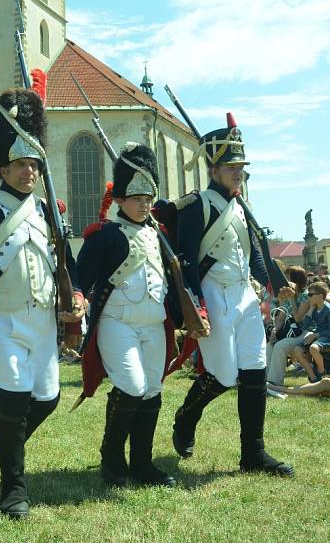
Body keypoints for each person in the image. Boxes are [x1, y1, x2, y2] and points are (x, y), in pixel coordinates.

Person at [0, 85, 83, 519]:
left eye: (34, 164)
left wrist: (76, 298)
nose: (29, 172)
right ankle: (14, 490)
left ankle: (9, 452)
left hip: (42, 322)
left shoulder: (50, 215)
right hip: (0, 323)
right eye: (20, 164)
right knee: (17, 398)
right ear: (3, 166)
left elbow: (70, 269)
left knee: (48, 399)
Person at [171, 113, 294, 476]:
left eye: (241, 166)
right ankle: (186, 416)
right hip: (214, 296)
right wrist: (196, 306)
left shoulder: (241, 207)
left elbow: (254, 252)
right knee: (224, 375)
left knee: (254, 370)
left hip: (244, 296)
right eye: (231, 166)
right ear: (214, 169)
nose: (238, 172)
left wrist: (271, 280)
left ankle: (253, 454)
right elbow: (187, 260)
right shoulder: (196, 205)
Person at [76, 144, 176, 488]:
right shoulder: (104, 235)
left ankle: (143, 463)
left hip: (153, 324)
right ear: (119, 198)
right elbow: (80, 277)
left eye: (149, 197)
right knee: (131, 387)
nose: (144, 204)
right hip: (117, 322)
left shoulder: (160, 236)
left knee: (152, 390)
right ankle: (113, 460)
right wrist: (76, 298)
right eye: (136, 198)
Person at [292, 282, 330, 381]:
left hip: (326, 338)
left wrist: (315, 335)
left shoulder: (328, 310)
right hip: (318, 337)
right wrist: (311, 308)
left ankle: (322, 373)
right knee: (297, 350)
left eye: (310, 294)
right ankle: (313, 377)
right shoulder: (314, 308)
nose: (308, 297)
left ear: (321, 296)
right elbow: (305, 324)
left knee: (313, 348)